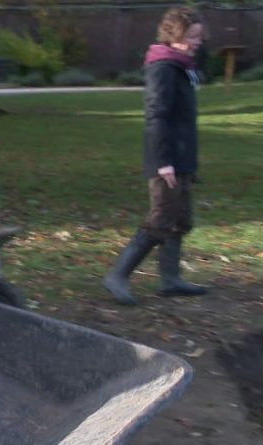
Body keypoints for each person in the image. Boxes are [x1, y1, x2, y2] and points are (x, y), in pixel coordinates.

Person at [103, 6, 207, 306]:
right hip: (166, 161)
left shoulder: (183, 67)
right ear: (174, 35)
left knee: (182, 219)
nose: (198, 41)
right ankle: (117, 275)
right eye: (192, 35)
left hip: (182, 159)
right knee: (161, 218)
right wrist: (164, 163)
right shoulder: (163, 68)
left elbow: (182, 121)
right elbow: (157, 117)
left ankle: (171, 279)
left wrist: (188, 163)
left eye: (200, 35)